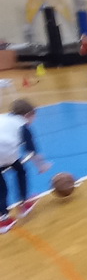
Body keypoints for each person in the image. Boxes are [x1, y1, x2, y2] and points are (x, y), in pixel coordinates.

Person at [0, 99, 50, 233]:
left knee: (3, 183)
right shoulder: (22, 126)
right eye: (34, 116)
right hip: (4, 154)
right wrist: (41, 166)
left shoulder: (3, 117)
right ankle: (22, 204)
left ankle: (3, 216)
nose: (34, 120)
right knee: (20, 172)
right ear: (27, 115)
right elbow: (32, 152)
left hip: (3, 152)